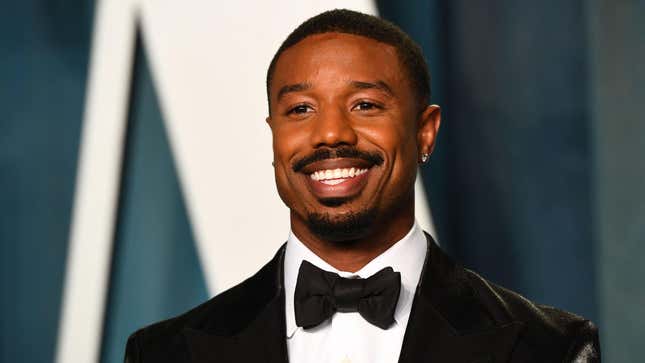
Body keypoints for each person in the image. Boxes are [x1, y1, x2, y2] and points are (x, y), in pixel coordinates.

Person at [124, 9, 600, 363]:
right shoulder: (164, 352)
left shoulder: (551, 349)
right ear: (273, 135)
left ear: (424, 132)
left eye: (365, 105)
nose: (331, 133)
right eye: (301, 110)